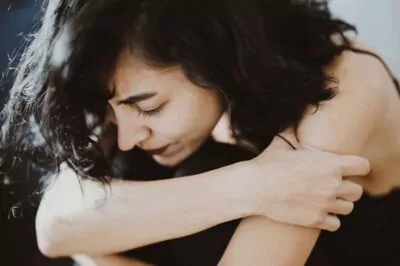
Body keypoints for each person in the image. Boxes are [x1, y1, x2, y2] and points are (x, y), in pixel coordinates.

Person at [3, 0, 399, 265]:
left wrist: (99, 253)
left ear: (215, 56)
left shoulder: (346, 82)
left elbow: (76, 235)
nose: (127, 135)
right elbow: (55, 223)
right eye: (110, 113)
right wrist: (252, 185)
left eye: (150, 107)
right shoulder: (121, 80)